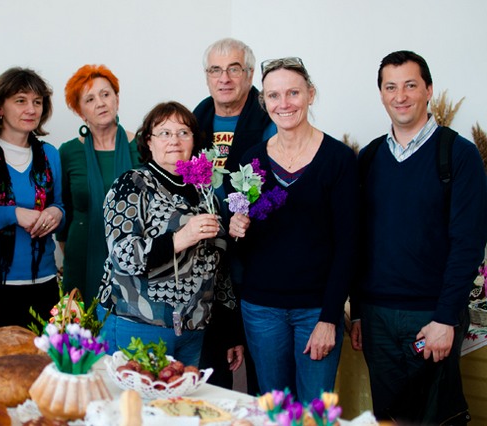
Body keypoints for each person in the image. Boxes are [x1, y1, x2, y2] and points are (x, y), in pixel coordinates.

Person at [350, 50, 487, 425]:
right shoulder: (370, 157)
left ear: (429, 90)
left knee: (435, 418)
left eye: (410, 85)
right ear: (381, 94)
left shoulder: (457, 154)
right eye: (390, 87)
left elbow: (468, 245)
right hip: (376, 318)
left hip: (431, 316)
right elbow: (358, 242)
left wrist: (445, 318)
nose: (401, 96)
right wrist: (358, 312)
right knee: (390, 418)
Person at [229, 57, 357, 402]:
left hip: (316, 310)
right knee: (274, 409)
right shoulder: (251, 160)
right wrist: (236, 228)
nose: (283, 103)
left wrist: (330, 317)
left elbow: (349, 245)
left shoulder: (339, 160)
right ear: (264, 102)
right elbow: (240, 243)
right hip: (261, 309)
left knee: (314, 412)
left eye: (293, 93)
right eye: (274, 95)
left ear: (310, 94)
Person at [97, 101, 232, 366]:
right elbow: (122, 256)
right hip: (138, 324)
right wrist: (181, 238)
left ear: (194, 141)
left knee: (182, 395)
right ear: (149, 141)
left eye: (183, 132)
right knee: (132, 394)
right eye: (164, 133)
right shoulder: (132, 184)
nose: (174, 141)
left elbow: (220, 269)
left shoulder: (206, 194)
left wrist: (228, 328)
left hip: (193, 330)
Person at [194, 37, 276, 394]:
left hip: (255, 258)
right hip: (204, 261)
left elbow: (279, 188)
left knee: (262, 368)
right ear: (207, 76)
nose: (224, 78)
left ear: (250, 74)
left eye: (234, 69)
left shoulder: (270, 118)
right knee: (210, 370)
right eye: (215, 70)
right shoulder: (194, 120)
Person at [0, 68, 64, 329]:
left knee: (46, 355)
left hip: (44, 282)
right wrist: (14, 214)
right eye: (21, 101)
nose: (31, 109)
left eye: (37, 102)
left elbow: (60, 205)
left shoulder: (50, 154)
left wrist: (56, 212)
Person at [57, 64, 140, 305]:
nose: (101, 103)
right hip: (81, 258)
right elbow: (64, 213)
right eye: (90, 99)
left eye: (105, 94)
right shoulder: (68, 152)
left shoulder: (143, 146)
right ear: (80, 111)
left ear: (117, 99)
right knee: (80, 324)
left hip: (135, 258)